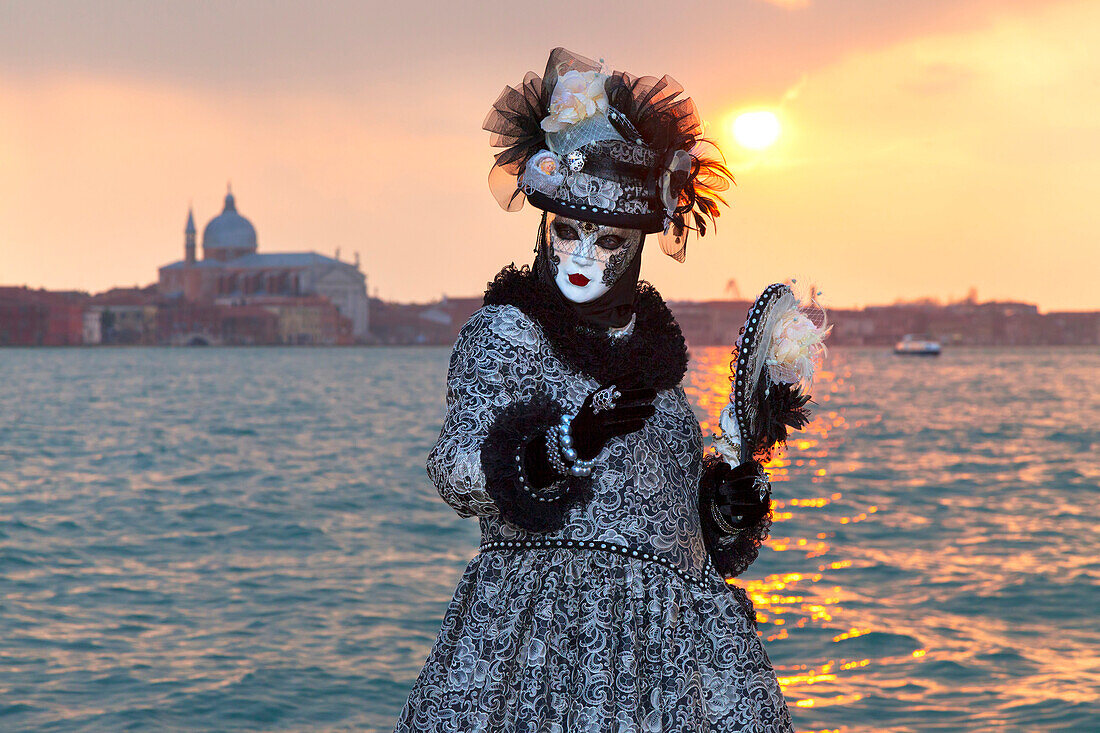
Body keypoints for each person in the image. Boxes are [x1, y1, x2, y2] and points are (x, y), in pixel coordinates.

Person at [393, 48, 793, 731]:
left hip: (670, 672)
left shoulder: (658, 380)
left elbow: (668, 529)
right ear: (545, 226)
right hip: (542, 648)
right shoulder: (510, 335)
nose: (581, 254)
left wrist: (726, 504)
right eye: (568, 230)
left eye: (607, 239)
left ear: (636, 245)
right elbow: (458, 472)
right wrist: (562, 444)